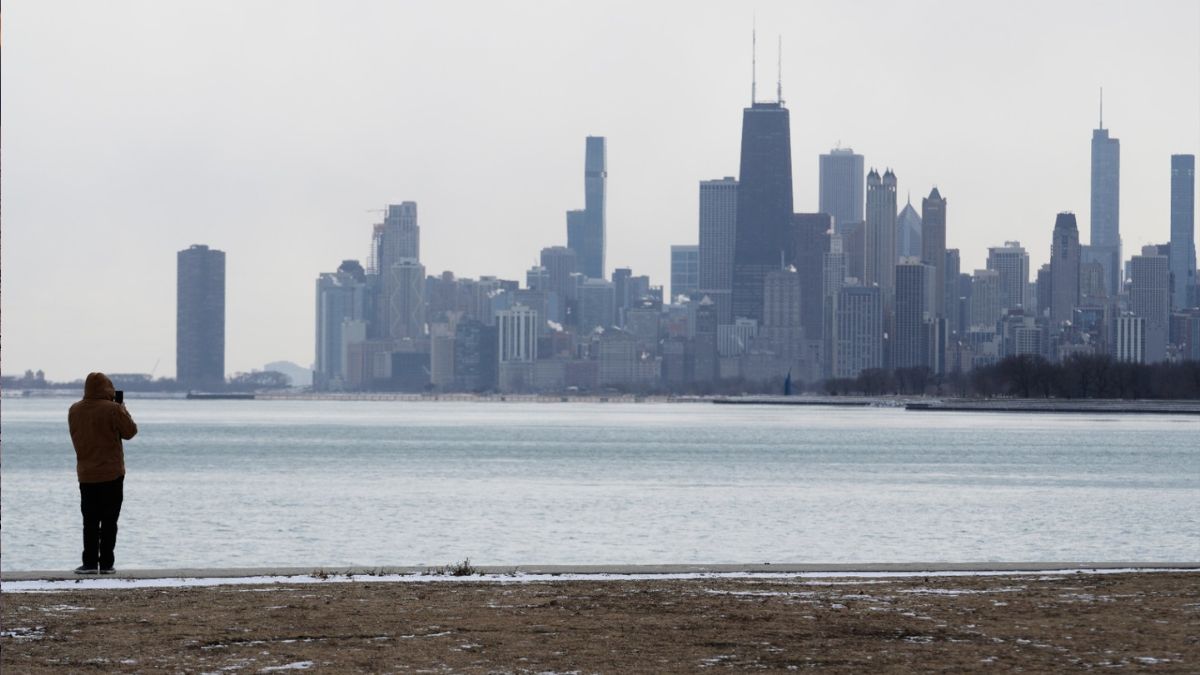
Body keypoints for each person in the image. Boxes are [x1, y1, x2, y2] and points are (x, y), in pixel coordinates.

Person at [68, 372, 138, 574]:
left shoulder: (74, 410)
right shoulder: (113, 409)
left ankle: (89, 563)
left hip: (86, 473)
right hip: (112, 474)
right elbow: (130, 432)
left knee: (89, 521)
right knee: (109, 521)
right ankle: (106, 564)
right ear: (108, 388)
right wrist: (123, 409)